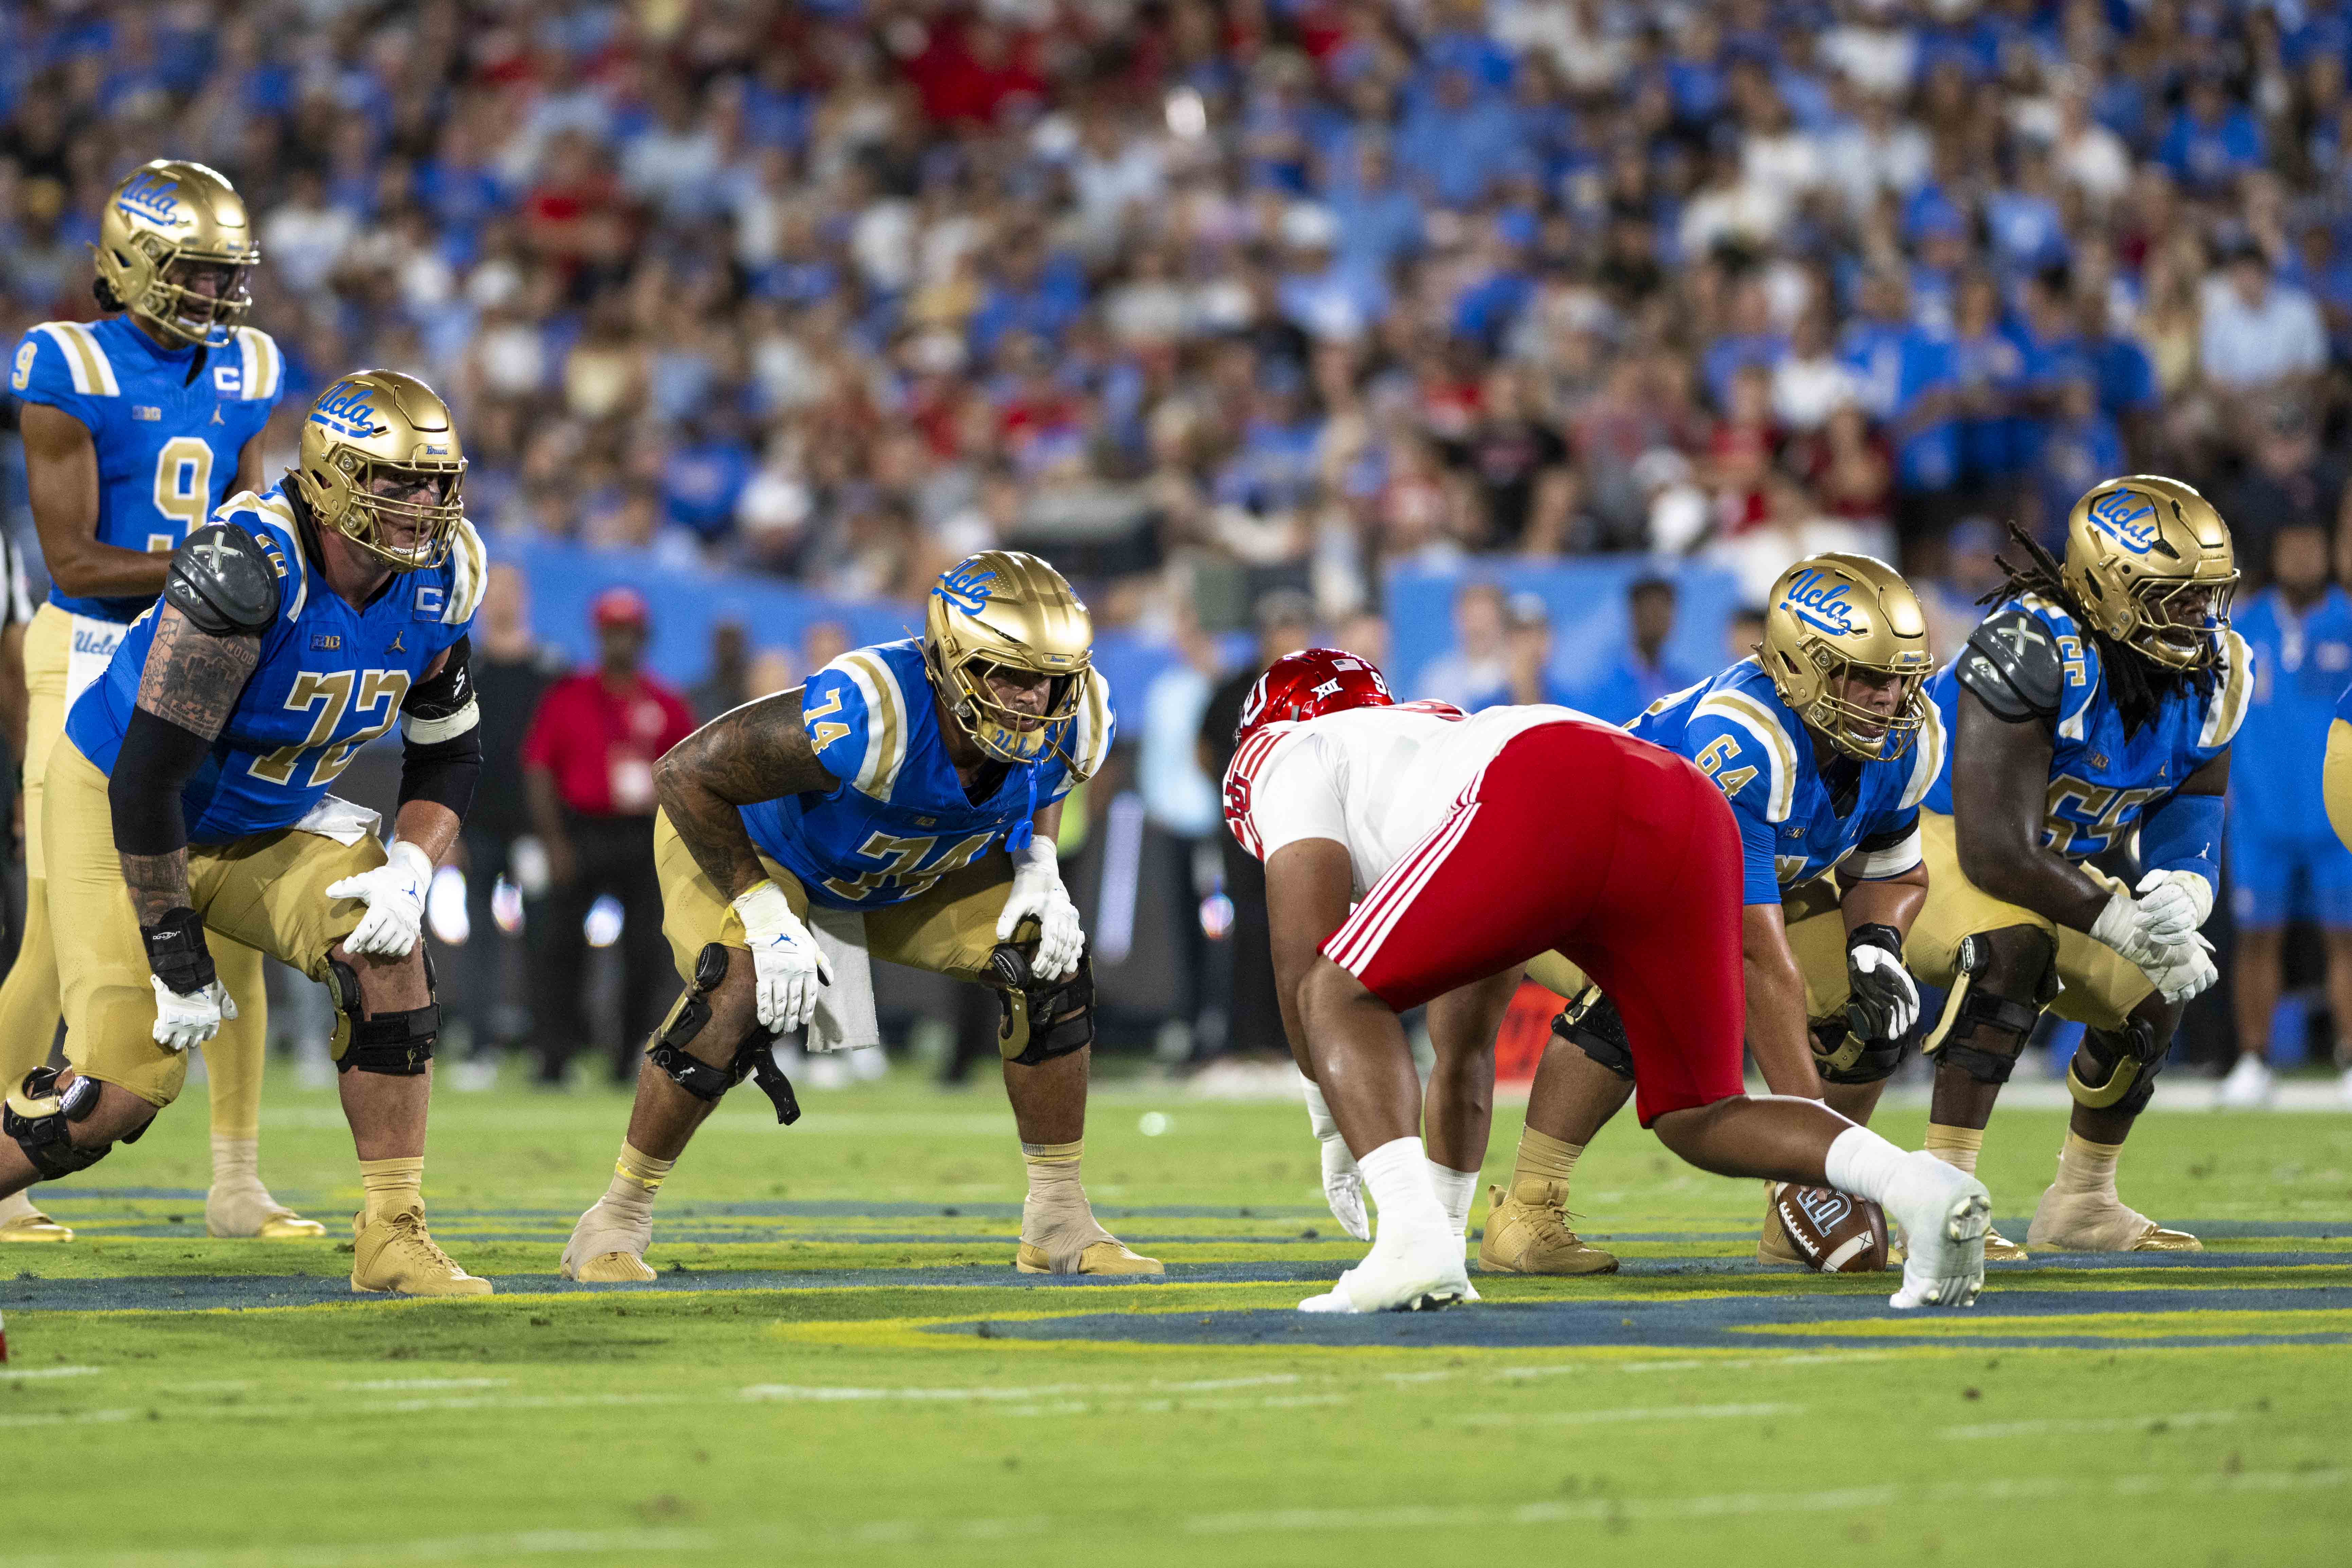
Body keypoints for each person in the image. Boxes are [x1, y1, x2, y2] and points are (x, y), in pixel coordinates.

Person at [1221, 648, 1990, 1313]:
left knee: (1335, 988)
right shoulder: (1436, 746)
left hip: (1545, 787)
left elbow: (1306, 974)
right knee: (1701, 1112)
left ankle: (1414, 1244)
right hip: (1676, 795)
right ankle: (1924, 1190)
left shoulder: (1294, 750)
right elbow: (1464, 1048)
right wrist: (1440, 1233)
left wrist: (1333, 1122)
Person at [0, 370, 492, 1293]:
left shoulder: (445, 577)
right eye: (398, 483)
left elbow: (450, 754)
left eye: (437, 482)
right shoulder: (249, 570)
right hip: (122, 810)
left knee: (387, 953)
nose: (425, 505)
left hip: (265, 818)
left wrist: (413, 871)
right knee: (117, 1095)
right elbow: (148, 780)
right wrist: (176, 950)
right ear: (332, 477)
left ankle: (391, 1232)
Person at [559, 550, 1153, 1281]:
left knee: (1047, 959)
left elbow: (1049, 768)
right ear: (948, 661)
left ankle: (1058, 1218)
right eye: (1011, 673)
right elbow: (686, 771)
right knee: (738, 984)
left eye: (1053, 678)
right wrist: (762, 906)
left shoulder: (1081, 712)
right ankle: (616, 1216)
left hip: (906, 870)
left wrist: (1038, 864)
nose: (1035, 698)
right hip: (763, 849)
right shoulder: (877, 709)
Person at [1489, 555, 1945, 1272]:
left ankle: (1788, 1218)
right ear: (1802, 666)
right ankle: (1526, 1209)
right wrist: (1817, 1156)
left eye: (1900, 677)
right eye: (1866, 676)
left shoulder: (1902, 738)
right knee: (1648, 988)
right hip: (1575, 881)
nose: (1889, 699)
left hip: (1706, 894)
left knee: (1874, 1007)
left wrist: (1879, 944)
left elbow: (1891, 867)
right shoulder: (1744, 740)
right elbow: (1754, 958)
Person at [0, 160, 300, 1244]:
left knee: (227, 918)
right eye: (196, 272)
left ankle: (236, 1180)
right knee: (54, 932)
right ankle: (10, 1171)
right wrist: (213, 571)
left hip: (195, 650)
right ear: (128, 266)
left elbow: (255, 524)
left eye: (229, 275)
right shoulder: (63, 360)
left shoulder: (250, 364)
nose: (219, 296)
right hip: (86, 647)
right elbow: (74, 558)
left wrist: (242, 586)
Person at [1907, 477, 2242, 1254]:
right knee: (2011, 946)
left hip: (2048, 863)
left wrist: (2185, 882)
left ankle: (2084, 1199)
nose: (2199, 617)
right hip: (1927, 848)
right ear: (2110, 588)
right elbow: (1993, 848)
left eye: (2204, 596)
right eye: (2174, 596)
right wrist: (2122, 920)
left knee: (2159, 986)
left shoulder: (2216, 665)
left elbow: (2195, 793)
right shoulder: (2032, 643)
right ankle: (1941, 1195)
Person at [521, 587, 697, 1085]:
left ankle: (627, 1057)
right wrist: (554, 842)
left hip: (644, 834)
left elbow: (688, 776)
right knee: (557, 948)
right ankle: (555, 1054)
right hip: (581, 830)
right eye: (611, 631)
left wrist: (674, 847)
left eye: (629, 632)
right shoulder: (568, 695)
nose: (620, 641)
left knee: (646, 951)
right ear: (599, 636)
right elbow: (539, 770)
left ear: (643, 638)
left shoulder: (666, 701)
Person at [2221, 523, 2352, 1107]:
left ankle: (2349, 1055)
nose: (2302, 556)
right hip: (2259, 810)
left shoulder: (2348, 620)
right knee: (2256, 938)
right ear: (2275, 554)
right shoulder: (2243, 626)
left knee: (2344, 938)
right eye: (2291, 546)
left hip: (2338, 814)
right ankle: (2253, 1059)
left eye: (2312, 545)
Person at [439, 561, 561, 1084]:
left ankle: (547, 1048)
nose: (504, 601)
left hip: (537, 828)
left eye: (513, 590)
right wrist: (448, 828)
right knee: (480, 939)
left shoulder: (551, 671)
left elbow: (561, 754)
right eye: (497, 592)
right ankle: (479, 1044)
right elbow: (442, 749)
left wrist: (560, 831)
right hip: (479, 824)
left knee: (547, 937)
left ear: (527, 599)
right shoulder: (466, 666)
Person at [1196, 588, 1316, 1060]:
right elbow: (1205, 751)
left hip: (1306, 831)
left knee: (1307, 932)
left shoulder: (1320, 688)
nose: (1287, 639)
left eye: (1295, 628)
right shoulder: (1234, 690)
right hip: (1246, 835)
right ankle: (1250, 1037)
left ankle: (1299, 1041)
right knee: (1248, 930)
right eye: (1280, 629)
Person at [1565, 576, 1702, 723]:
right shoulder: (1602, 682)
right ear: (1635, 614)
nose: (1659, 620)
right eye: (1652, 610)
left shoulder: (1680, 684)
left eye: (1666, 611)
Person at [686, 619, 751, 722]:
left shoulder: (755, 694)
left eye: (734, 640)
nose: (729, 647)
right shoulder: (698, 698)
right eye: (725, 640)